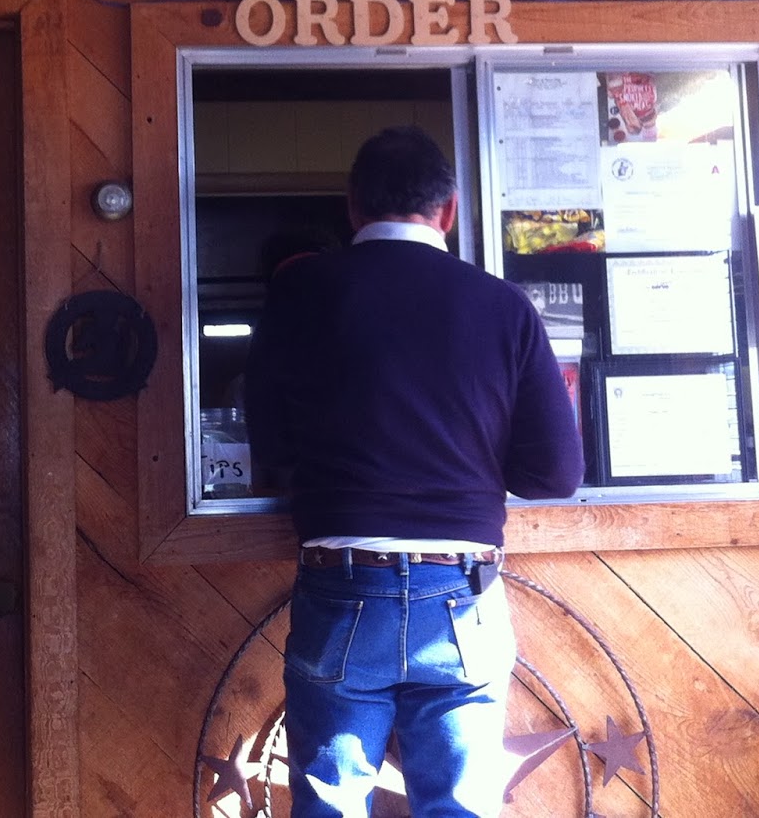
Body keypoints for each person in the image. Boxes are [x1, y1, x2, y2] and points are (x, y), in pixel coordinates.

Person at [244, 125, 585, 818]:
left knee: (329, 805)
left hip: (341, 590)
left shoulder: (300, 292)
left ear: (352, 207)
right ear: (450, 210)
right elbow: (556, 472)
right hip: (462, 594)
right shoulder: (504, 306)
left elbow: (271, 455)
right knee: (459, 807)